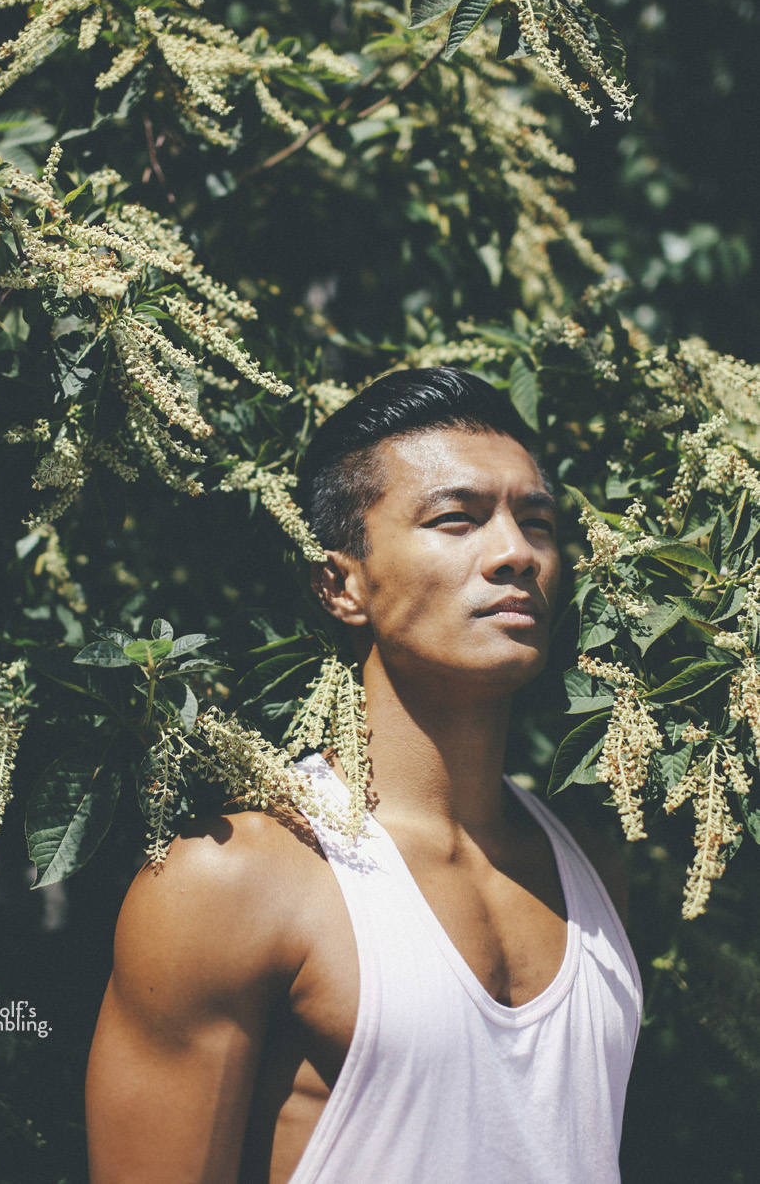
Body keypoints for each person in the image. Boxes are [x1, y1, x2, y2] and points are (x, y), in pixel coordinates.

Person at [86, 367, 641, 1184]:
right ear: (340, 584)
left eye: (537, 523)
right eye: (456, 519)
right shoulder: (235, 879)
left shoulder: (594, 871)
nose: (515, 553)